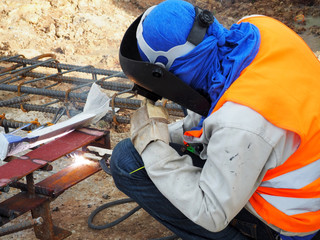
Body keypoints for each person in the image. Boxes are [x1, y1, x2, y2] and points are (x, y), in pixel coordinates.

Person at [109, 0, 320, 239]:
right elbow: (220, 109)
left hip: (293, 223)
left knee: (127, 160)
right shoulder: (259, 26)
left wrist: (152, 145)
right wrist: (168, 133)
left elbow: (211, 213)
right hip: (299, 171)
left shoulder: (240, 121)